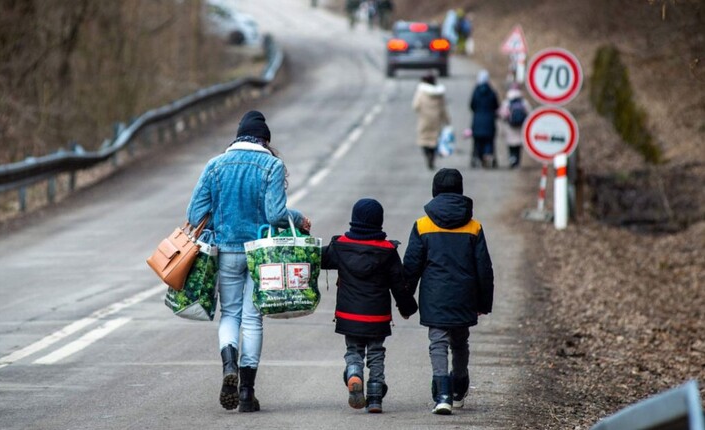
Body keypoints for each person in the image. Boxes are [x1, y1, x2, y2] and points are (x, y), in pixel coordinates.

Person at [186, 110, 311, 413]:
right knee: (253, 318)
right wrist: (298, 219)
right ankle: (247, 393)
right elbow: (277, 216)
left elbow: (194, 215)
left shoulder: (214, 165)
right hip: (261, 254)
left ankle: (229, 364)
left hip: (226, 251)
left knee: (230, 314)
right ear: (265, 140)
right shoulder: (272, 165)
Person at [402, 168, 494, 415]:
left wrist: (405, 300)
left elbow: (411, 266)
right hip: (465, 295)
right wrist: (484, 303)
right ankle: (459, 385)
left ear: (435, 191)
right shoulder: (474, 227)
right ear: (461, 191)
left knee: (438, 342)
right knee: (460, 341)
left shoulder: (422, 225)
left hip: (435, 296)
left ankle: (442, 393)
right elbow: (484, 269)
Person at [321, 198, 418, 413]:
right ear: (379, 222)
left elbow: (318, 258)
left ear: (354, 220)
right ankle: (374, 397)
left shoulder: (340, 246)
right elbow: (399, 285)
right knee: (376, 353)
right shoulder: (388, 251)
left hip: (349, 315)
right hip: (377, 317)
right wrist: (408, 308)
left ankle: (354, 373)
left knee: (353, 349)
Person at [412, 73, 450, 170]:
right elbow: (443, 108)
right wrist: (447, 121)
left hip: (424, 120)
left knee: (424, 140)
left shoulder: (421, 92)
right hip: (436, 121)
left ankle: (427, 155)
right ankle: (432, 158)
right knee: (435, 140)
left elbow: (415, 106)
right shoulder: (439, 94)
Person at [469, 70, 500, 168]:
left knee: (478, 141)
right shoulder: (492, 92)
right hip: (489, 121)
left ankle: (478, 157)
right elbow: (496, 105)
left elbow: (471, 105)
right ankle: (488, 155)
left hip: (477, 121)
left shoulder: (476, 92)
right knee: (489, 141)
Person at [498, 86, 531, 168]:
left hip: (510, 127)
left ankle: (512, 159)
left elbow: (502, 114)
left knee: (511, 145)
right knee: (518, 146)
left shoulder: (507, 102)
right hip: (520, 127)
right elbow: (529, 113)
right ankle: (517, 161)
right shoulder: (523, 102)